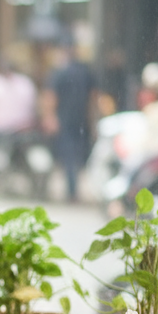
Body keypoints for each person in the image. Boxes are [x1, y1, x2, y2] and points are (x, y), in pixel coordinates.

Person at [41, 44, 98, 201]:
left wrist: (50, 117)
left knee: (68, 157)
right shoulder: (85, 72)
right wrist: (92, 121)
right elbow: (93, 99)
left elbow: (50, 96)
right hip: (80, 121)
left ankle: (72, 191)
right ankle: (74, 190)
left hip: (64, 120)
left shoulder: (59, 72)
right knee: (78, 156)